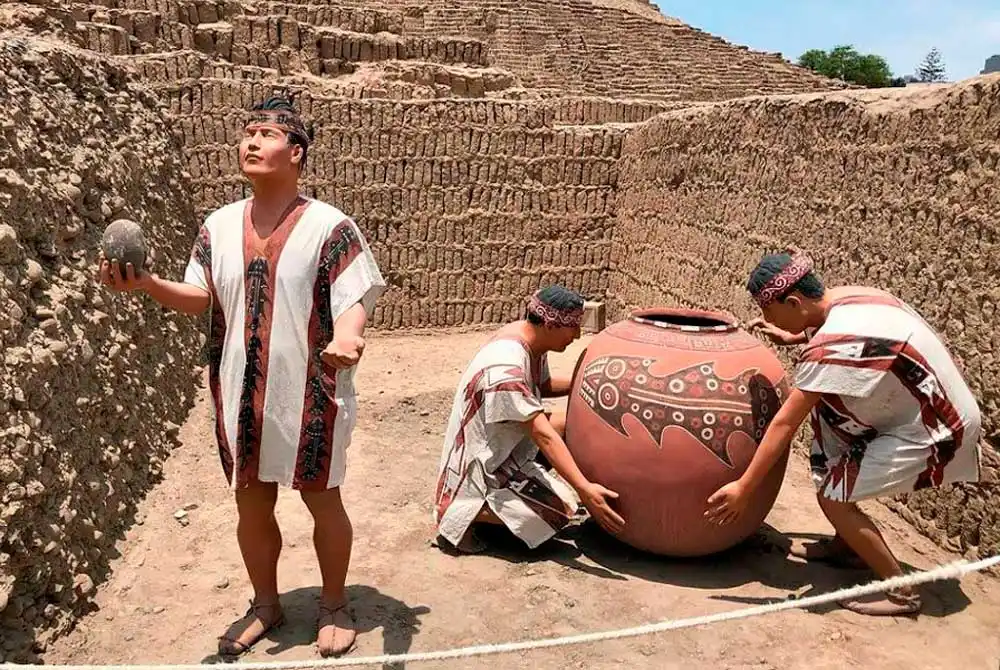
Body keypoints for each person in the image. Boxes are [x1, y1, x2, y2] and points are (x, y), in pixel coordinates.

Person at [98, 96, 387, 657]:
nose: (251, 142)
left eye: (265, 134)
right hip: (237, 392)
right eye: (246, 132)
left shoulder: (331, 226)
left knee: (321, 498)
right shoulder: (218, 225)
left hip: (310, 393)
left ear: (296, 152)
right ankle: (265, 603)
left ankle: (333, 603)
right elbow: (201, 296)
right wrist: (148, 284)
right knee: (251, 501)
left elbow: (354, 293)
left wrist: (348, 335)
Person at [704, 249, 982, 616]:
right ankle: (848, 547)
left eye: (771, 311)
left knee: (832, 496)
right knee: (830, 421)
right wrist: (796, 338)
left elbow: (786, 422)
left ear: (794, 300)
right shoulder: (847, 297)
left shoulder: (830, 346)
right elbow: (861, 339)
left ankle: (900, 591)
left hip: (937, 425)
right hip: (924, 404)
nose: (768, 319)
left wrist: (744, 487)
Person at [433, 285, 626, 554]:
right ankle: (463, 510)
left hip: (503, 444)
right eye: (572, 327)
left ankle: (517, 492)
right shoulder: (507, 367)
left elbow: (543, 385)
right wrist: (583, 489)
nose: (577, 335)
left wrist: (590, 382)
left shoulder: (530, 340)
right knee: (559, 512)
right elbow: (542, 434)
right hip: (480, 463)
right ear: (550, 324)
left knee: (569, 425)